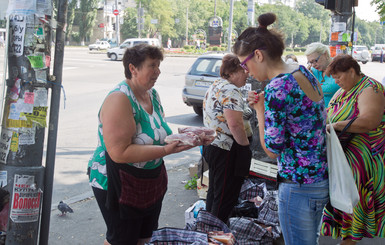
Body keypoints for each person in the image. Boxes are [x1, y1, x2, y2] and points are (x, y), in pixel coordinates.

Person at [233, 13, 329, 245]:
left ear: (258, 55)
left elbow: (272, 150)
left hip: (297, 186)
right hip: (319, 179)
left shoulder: (278, 88)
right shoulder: (301, 72)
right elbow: (302, 113)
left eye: (244, 64)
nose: (246, 71)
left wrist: (259, 110)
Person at [87, 44, 194, 245]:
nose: (158, 71)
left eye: (159, 65)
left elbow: (156, 132)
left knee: (146, 237)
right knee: (122, 240)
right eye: (152, 66)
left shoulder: (151, 94)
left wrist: (184, 137)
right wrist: (164, 150)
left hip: (149, 181)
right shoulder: (120, 98)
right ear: (133, 69)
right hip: (118, 182)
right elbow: (119, 152)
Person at [320, 54, 385, 244]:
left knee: (354, 209)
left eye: (338, 76)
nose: (336, 81)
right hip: (344, 160)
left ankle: (348, 242)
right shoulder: (344, 90)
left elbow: (369, 121)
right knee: (344, 208)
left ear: (351, 71)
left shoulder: (370, 88)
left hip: (364, 162)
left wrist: (336, 125)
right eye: (333, 78)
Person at [202, 54, 253, 224]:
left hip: (213, 146)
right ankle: (217, 233)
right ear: (233, 72)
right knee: (225, 196)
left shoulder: (217, 84)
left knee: (216, 192)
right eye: (245, 71)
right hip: (226, 149)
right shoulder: (230, 90)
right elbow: (235, 125)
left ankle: (209, 230)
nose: (248, 75)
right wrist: (245, 148)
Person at [305, 42, 340, 107]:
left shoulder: (340, 68)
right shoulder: (312, 71)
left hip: (336, 113)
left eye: (315, 60)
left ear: (325, 54)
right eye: (310, 62)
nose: (313, 65)